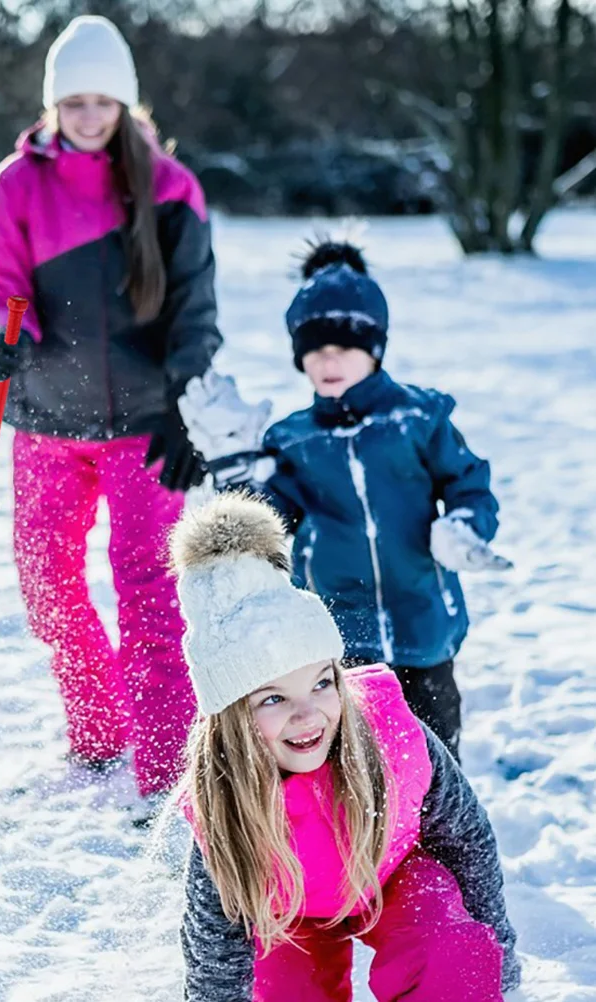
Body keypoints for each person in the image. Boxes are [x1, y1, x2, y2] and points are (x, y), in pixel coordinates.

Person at [0, 15, 221, 811]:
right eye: (72, 101)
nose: (87, 116)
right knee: (47, 584)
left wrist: (185, 402)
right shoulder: (18, 182)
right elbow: (2, 285)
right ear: (53, 105)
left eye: (101, 101)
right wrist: (0, 335)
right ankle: (99, 731)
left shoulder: (169, 188)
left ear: (124, 103)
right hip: (47, 421)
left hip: (146, 427)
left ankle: (166, 768)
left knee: (150, 592)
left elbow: (195, 312)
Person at [171, 493, 520, 1000]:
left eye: (320, 683)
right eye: (273, 697)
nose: (307, 713)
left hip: (394, 876)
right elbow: (213, 953)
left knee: (449, 950)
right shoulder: (224, 801)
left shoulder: (395, 741)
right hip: (287, 914)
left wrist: (498, 948)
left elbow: (467, 838)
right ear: (231, 717)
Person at [177, 240, 510, 760]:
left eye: (345, 346)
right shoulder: (293, 440)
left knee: (436, 757)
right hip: (339, 635)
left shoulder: (419, 419)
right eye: (314, 349)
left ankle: (439, 838)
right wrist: (234, 465)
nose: (328, 360)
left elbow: (470, 482)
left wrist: (465, 524)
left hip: (424, 625)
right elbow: (267, 523)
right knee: (359, 762)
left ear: (375, 348)